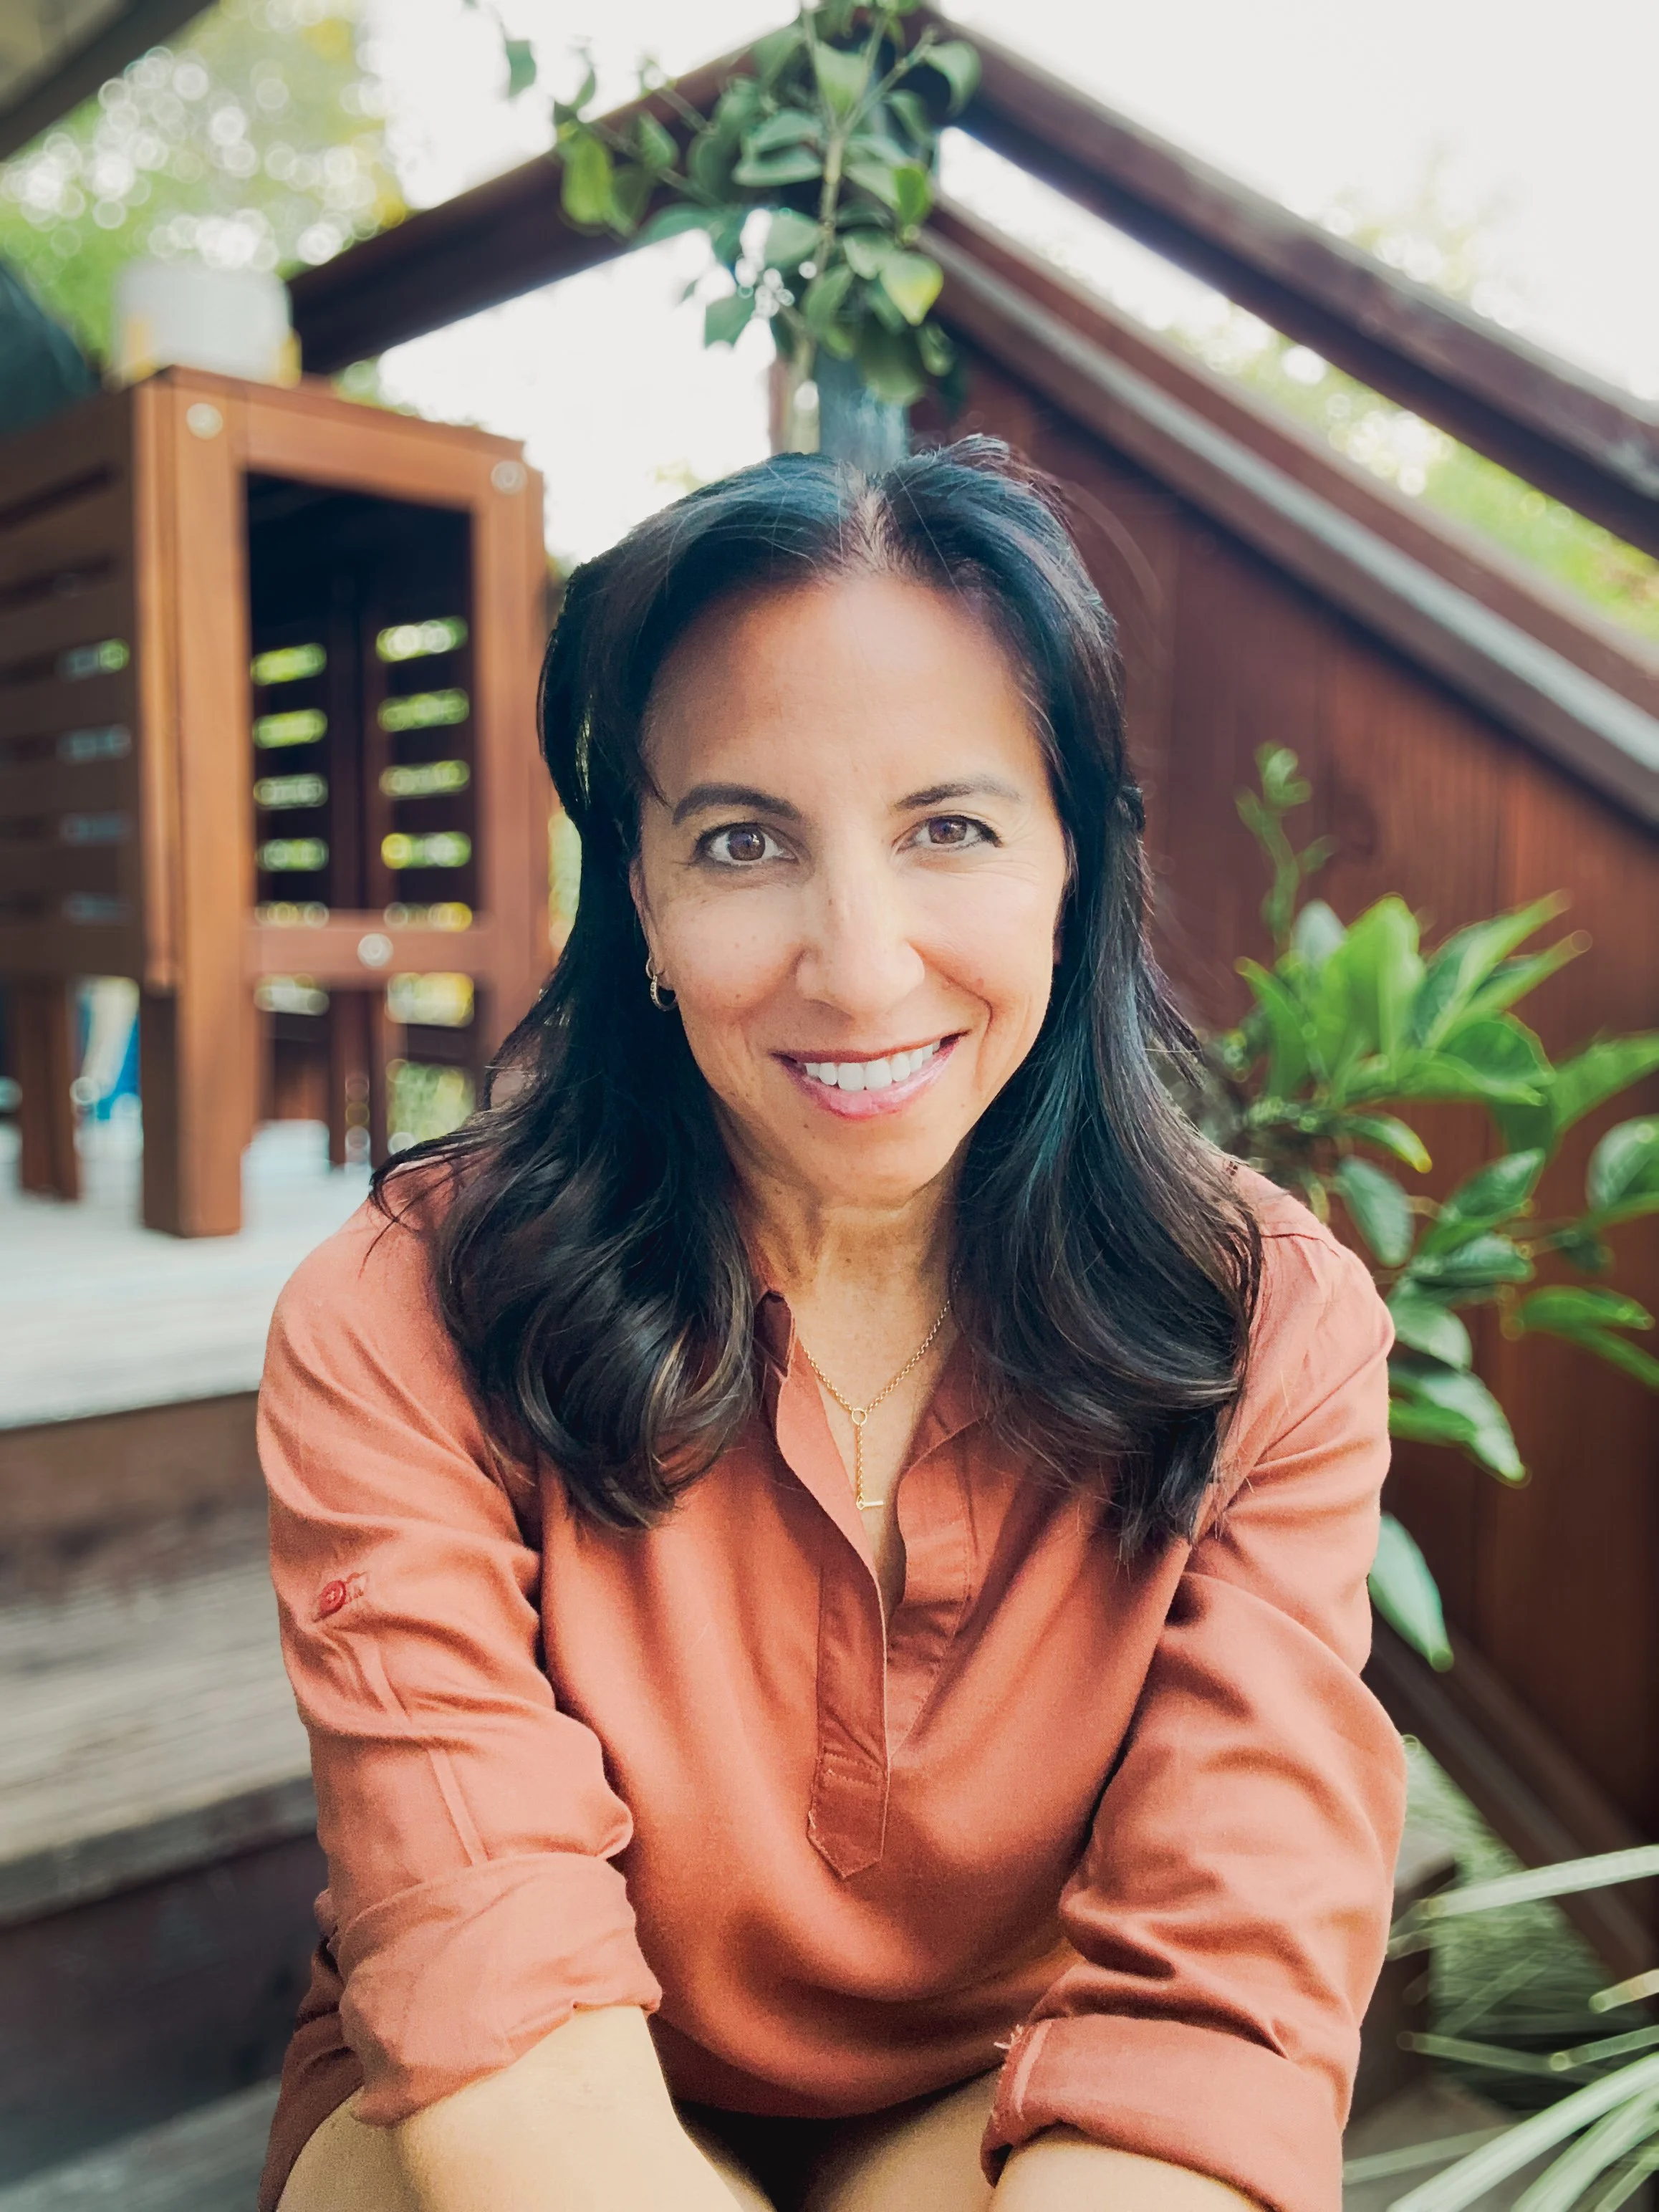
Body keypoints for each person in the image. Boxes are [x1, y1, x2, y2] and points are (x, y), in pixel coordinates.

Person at [258, 438, 1404, 2212]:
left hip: (1003, 2101)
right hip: (520, 2105)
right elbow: (498, 2019)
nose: (859, 965)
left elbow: (1211, 2019)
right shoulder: (409, 1308)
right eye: (742, 841)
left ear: (1076, 862)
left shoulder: (1270, 1325)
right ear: (637, 893)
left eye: (950, 825)